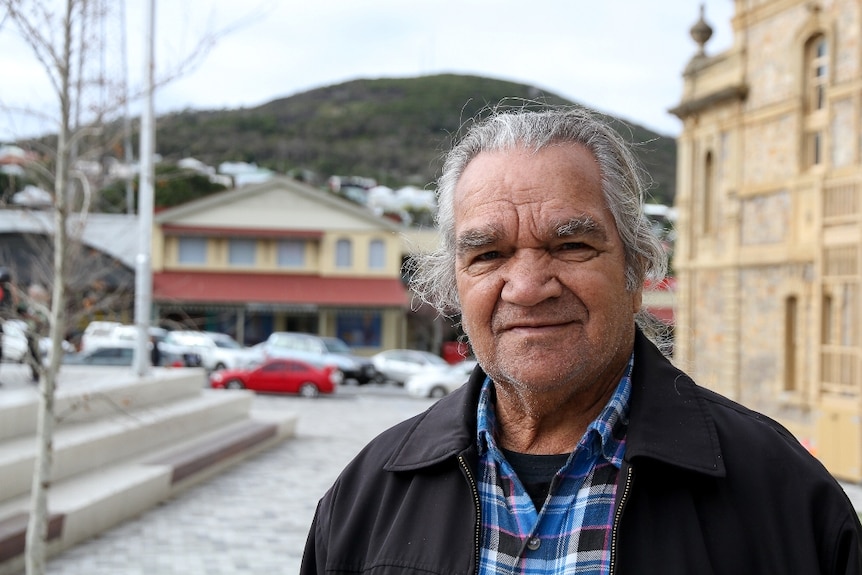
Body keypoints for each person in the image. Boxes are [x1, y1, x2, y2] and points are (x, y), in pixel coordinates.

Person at [300, 108, 862, 574]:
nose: (526, 288)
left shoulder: (783, 495)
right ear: (453, 285)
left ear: (637, 270)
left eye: (571, 247)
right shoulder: (366, 498)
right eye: (488, 254)